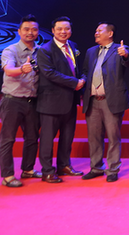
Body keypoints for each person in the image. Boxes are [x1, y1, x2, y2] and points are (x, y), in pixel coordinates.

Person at [81, 23, 129, 183]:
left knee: (113, 137)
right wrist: (82, 80)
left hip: (111, 100)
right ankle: (96, 168)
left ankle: (113, 169)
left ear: (110, 33)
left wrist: (125, 55)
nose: (96, 33)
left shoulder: (120, 49)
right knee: (94, 137)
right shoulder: (91, 51)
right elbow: (85, 71)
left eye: (99, 31)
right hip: (92, 100)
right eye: (96, 30)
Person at [36, 16, 85, 183]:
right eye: (59, 29)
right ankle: (47, 171)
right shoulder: (45, 50)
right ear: (53, 31)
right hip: (51, 102)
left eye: (67, 29)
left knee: (67, 136)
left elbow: (76, 69)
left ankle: (64, 165)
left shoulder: (73, 46)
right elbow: (49, 73)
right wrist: (75, 83)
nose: (64, 32)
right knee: (47, 139)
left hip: (70, 100)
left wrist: (82, 79)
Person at [0, 15, 41, 187]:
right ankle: (8, 176)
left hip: (33, 101)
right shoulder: (11, 50)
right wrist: (22, 69)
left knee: (32, 137)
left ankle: (28, 169)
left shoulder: (41, 51)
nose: (30, 32)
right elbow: (8, 70)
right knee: (8, 139)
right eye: (26, 29)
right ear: (19, 31)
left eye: (34, 29)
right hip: (12, 101)